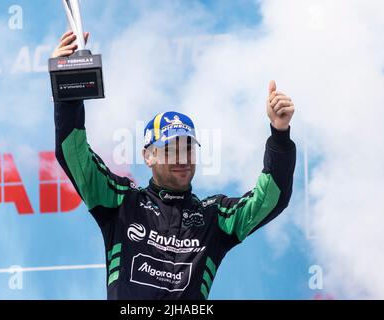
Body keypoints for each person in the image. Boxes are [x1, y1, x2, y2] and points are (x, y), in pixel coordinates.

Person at [52, 31, 296, 300]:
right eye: (170, 149)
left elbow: (271, 198)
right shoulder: (120, 201)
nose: (181, 157)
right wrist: (68, 87)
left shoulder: (215, 217)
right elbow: (74, 156)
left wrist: (280, 133)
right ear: (148, 156)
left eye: (188, 148)